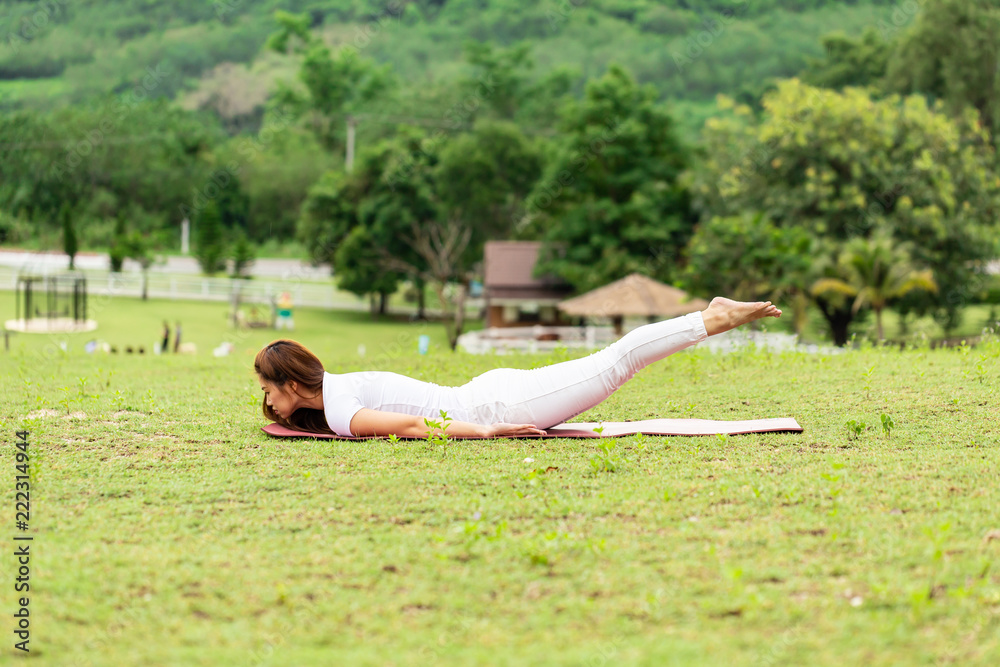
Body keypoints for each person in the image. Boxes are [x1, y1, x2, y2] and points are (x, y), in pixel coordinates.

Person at [255, 298, 782, 439]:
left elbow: (418, 427)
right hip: (489, 392)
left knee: (615, 363)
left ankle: (709, 318)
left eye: (267, 388)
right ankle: (707, 318)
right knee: (612, 366)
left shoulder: (344, 411)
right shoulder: (341, 391)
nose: (266, 400)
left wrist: (486, 430)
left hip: (497, 404)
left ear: (293, 384)